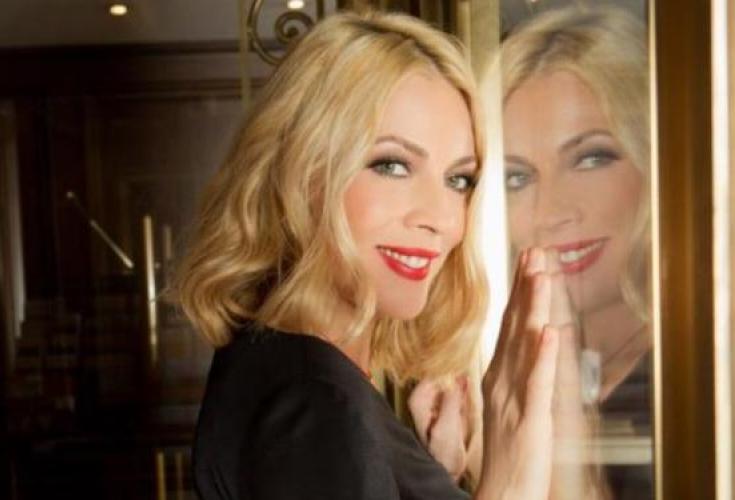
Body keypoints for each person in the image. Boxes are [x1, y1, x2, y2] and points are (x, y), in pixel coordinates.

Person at [172, 10, 567, 500]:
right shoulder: (317, 404)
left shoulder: (292, 371)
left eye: (458, 179)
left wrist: (426, 474)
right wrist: (510, 482)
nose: (441, 218)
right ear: (304, 173)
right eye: (392, 165)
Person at [500, 5, 652, 498]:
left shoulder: (714, 381)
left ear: (655, 157)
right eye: (517, 177)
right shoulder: (500, 372)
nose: (551, 211)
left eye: (591, 158)